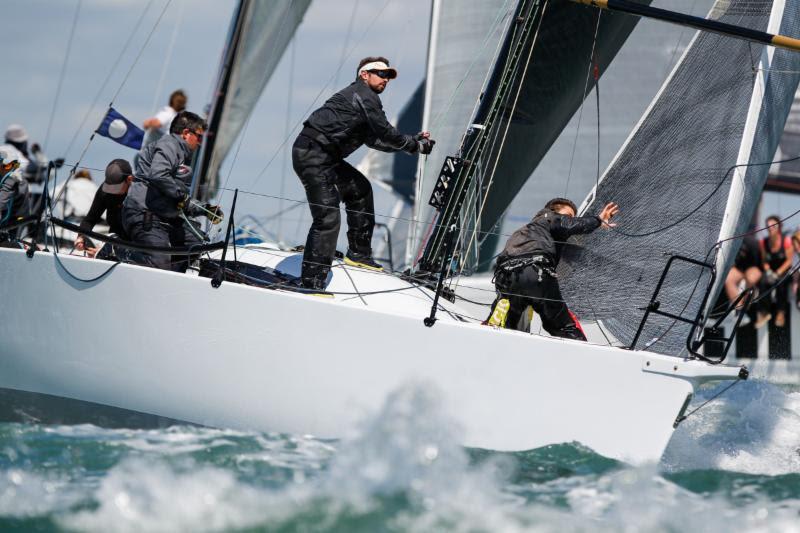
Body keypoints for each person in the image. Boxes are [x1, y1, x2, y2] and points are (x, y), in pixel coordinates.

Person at [293, 56, 435, 291]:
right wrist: (414, 146)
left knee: (360, 189)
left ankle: (359, 254)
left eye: (388, 76)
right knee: (327, 218)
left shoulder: (365, 101)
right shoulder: (363, 95)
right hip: (312, 155)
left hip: (326, 159)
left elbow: (376, 140)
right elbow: (385, 131)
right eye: (381, 74)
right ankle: (312, 282)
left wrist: (413, 144)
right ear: (364, 75)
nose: (385, 79)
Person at [487, 197, 619, 340]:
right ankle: (581, 354)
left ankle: (496, 322)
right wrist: (598, 220)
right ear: (554, 210)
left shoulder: (522, 231)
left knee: (508, 324)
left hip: (506, 278)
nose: (570, 219)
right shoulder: (551, 218)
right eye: (568, 216)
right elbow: (569, 225)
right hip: (534, 273)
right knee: (563, 326)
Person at [122, 111, 222, 271]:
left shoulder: (183, 155)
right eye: (199, 137)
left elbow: (181, 198)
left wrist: (205, 210)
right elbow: (158, 174)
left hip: (166, 218)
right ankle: (118, 251)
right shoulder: (170, 145)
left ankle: (170, 281)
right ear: (185, 133)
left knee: (198, 247)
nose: (200, 143)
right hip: (144, 214)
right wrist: (181, 196)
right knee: (160, 261)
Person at [74, 159, 134, 258]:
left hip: (135, 245)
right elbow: (90, 219)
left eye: (116, 188)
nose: (112, 192)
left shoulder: (140, 193)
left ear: (129, 179)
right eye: (110, 188)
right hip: (113, 239)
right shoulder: (104, 192)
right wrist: (81, 237)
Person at [723, 235, 764, 328]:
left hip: (754, 267)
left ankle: (747, 305)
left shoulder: (752, 242)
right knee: (728, 279)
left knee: (750, 278)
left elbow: (759, 263)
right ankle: (739, 310)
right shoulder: (728, 241)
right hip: (738, 269)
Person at [759, 215, 792, 327]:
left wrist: (777, 273)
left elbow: (789, 261)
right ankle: (764, 312)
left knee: (781, 283)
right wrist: (768, 272)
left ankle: (781, 313)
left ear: (779, 227)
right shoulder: (764, 242)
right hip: (770, 271)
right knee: (763, 281)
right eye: (768, 227)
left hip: (783, 271)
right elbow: (764, 261)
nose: (770, 229)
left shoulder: (786, 241)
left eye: (773, 226)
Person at [0, 148, 31, 243]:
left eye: (8, 166)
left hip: (14, 226)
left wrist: (10, 182)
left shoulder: (19, 182)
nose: (3, 168)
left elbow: (1, 202)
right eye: (2, 166)